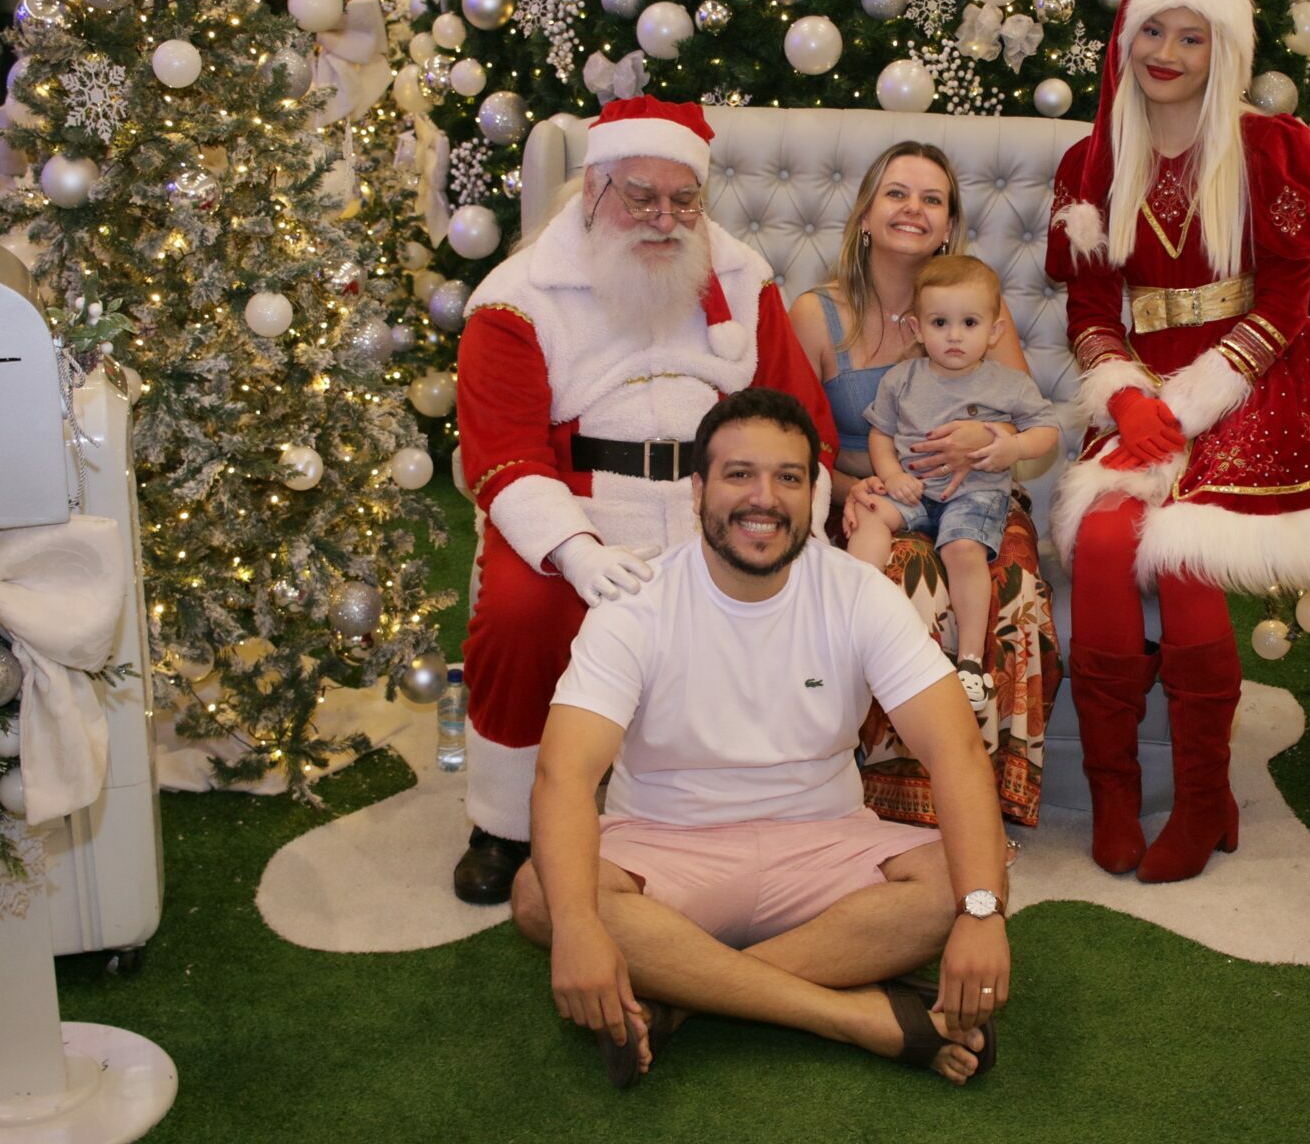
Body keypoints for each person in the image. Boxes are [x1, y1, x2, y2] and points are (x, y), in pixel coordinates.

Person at [1045, 0, 1310, 882]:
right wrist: (1128, 397)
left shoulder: (1271, 145)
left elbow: (1284, 298)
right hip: (1143, 391)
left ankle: (1202, 800)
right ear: (1126, 40)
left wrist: (1200, 396)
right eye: (1153, 31)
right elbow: (1091, 308)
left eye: (1191, 37)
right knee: (1103, 542)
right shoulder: (1091, 161)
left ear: (1222, 49)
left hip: (1252, 381)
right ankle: (1113, 795)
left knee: (1189, 550)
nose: (1167, 52)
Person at [512, 388, 1009, 1087]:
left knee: (966, 879)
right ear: (698, 491)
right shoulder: (636, 602)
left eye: (788, 478)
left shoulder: (859, 593)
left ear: (814, 495)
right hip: (664, 844)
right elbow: (564, 775)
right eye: (739, 474)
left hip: (825, 841)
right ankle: (854, 1016)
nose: (764, 499)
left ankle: (684, 997)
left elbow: (954, 751)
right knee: (544, 895)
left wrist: (982, 913)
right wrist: (577, 927)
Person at [454, 96, 837, 905]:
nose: (665, 219)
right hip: (580, 508)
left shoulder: (742, 276)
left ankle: (746, 803)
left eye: (684, 199)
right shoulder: (515, 296)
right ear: (595, 189)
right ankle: (505, 822)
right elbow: (503, 455)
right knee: (522, 611)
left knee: (795, 601)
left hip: (720, 502)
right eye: (641, 197)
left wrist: (795, 518)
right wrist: (575, 553)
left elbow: (795, 418)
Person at [787, 144, 1063, 831]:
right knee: (902, 576)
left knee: (1010, 579)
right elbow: (790, 441)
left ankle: (977, 798)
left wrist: (986, 439)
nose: (914, 209)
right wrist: (857, 486)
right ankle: (879, 797)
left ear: (948, 225)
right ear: (865, 215)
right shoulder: (816, 314)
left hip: (979, 491)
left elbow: (1024, 418)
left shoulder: (975, 303)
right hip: (863, 494)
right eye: (896, 193)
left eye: (932, 199)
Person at [849, 255, 1059, 712]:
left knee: (962, 548)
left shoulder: (1008, 384)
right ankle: (852, 614)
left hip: (975, 494)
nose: (955, 336)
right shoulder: (901, 379)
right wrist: (891, 475)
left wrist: (1013, 447)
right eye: (940, 323)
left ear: (994, 332)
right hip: (913, 489)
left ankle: (970, 660)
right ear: (917, 329)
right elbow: (881, 434)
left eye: (969, 323)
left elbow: (1047, 431)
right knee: (869, 514)